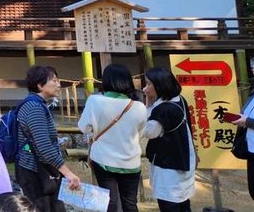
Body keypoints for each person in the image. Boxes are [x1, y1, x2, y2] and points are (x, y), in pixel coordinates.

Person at [78, 64, 147, 212]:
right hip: (130, 162)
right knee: (130, 204)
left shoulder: (94, 101)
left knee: (109, 202)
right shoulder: (139, 106)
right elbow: (140, 134)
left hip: (103, 160)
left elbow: (84, 128)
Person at [15, 65, 82, 212]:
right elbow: (44, 147)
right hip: (35, 171)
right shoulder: (33, 107)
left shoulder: (38, 105)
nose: (59, 85)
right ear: (40, 85)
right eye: (54, 81)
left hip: (41, 169)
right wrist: (68, 173)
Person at [143, 67, 196, 212]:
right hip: (184, 158)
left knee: (170, 204)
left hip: (169, 165)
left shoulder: (165, 109)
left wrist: (148, 103)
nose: (145, 88)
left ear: (159, 85)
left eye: (148, 84)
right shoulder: (179, 100)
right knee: (183, 203)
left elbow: (149, 132)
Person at [225, 57, 254, 200]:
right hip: (251, 149)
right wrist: (239, 119)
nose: (253, 69)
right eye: (252, 66)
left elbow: (248, 120)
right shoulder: (253, 91)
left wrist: (247, 121)